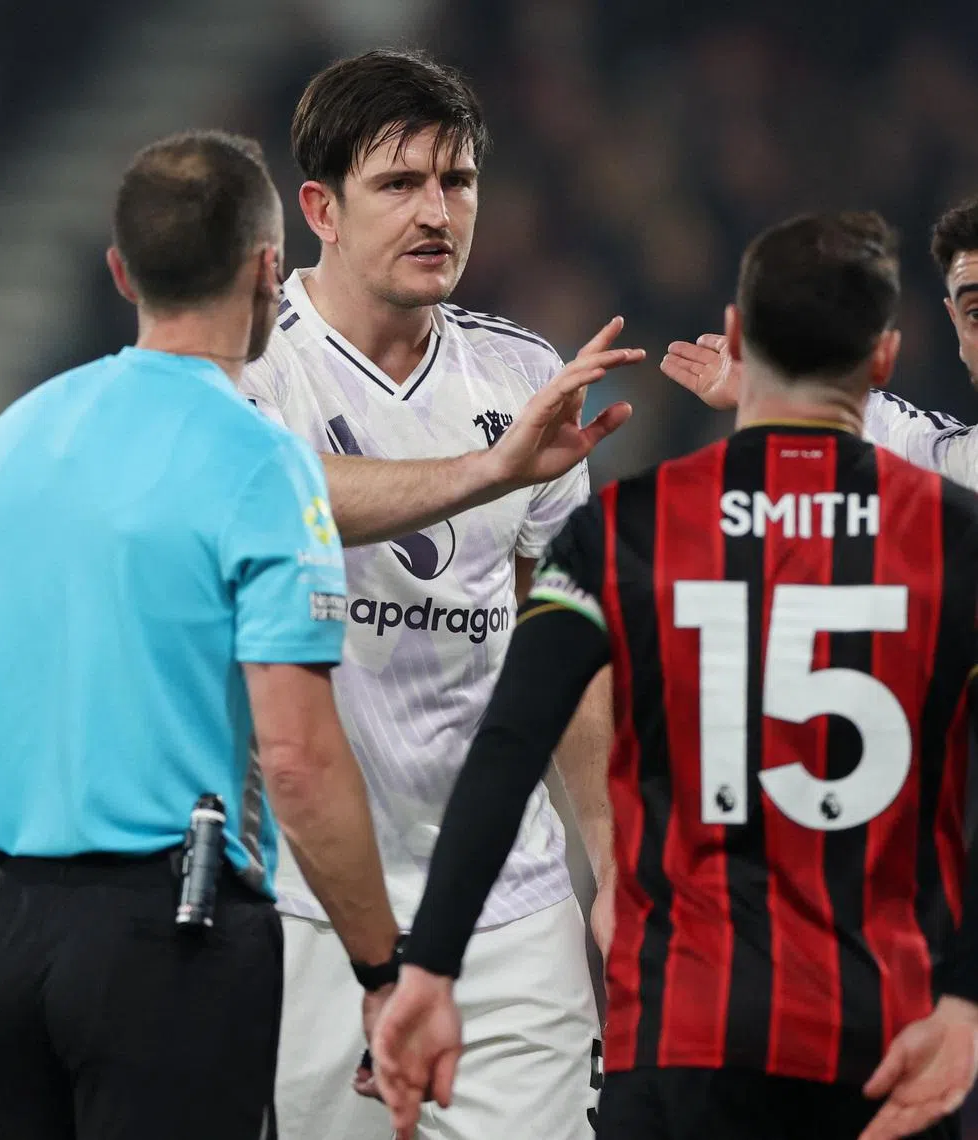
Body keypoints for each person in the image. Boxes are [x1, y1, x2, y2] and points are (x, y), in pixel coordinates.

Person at [373, 211, 978, 1140]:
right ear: (887, 360)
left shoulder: (621, 533)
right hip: (886, 1041)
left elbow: (509, 742)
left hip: (682, 1036)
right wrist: (968, 996)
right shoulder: (958, 540)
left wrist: (429, 968)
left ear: (736, 340)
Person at [0, 129, 401, 1140]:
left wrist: (13, 921)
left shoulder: (3, 448)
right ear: (270, 268)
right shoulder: (262, 466)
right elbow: (296, 757)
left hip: (10, 936)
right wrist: (381, 969)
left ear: (121, 270)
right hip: (169, 937)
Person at [239, 48, 645, 1140]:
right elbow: (280, 497)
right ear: (319, 205)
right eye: (401, 184)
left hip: (506, 907)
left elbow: (562, 639)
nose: (437, 213)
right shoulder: (250, 365)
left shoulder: (519, 376)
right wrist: (488, 472)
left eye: (456, 183)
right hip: (312, 903)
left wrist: (606, 855)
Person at [661, 196, 978, 491]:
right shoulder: (959, 466)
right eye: (976, 313)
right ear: (957, 324)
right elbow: (893, 438)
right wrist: (778, 383)